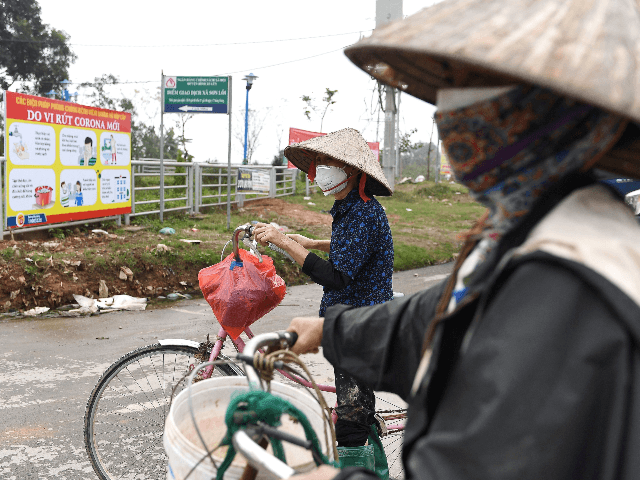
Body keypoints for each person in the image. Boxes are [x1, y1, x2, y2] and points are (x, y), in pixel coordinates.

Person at [286, 1, 640, 479]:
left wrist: (319, 475)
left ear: (545, 118)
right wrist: (332, 332)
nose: (449, 117)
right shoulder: (528, 229)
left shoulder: (564, 281)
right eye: (449, 92)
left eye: (478, 96)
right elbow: (442, 314)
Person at [253, 128, 394, 470]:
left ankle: (360, 467)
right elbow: (352, 250)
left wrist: (285, 243)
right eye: (319, 162)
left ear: (351, 170)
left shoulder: (363, 213)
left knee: (350, 424)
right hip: (347, 320)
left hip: (357, 326)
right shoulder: (348, 207)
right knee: (355, 412)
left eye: (328, 161)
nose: (321, 168)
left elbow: (338, 276)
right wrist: (311, 243)